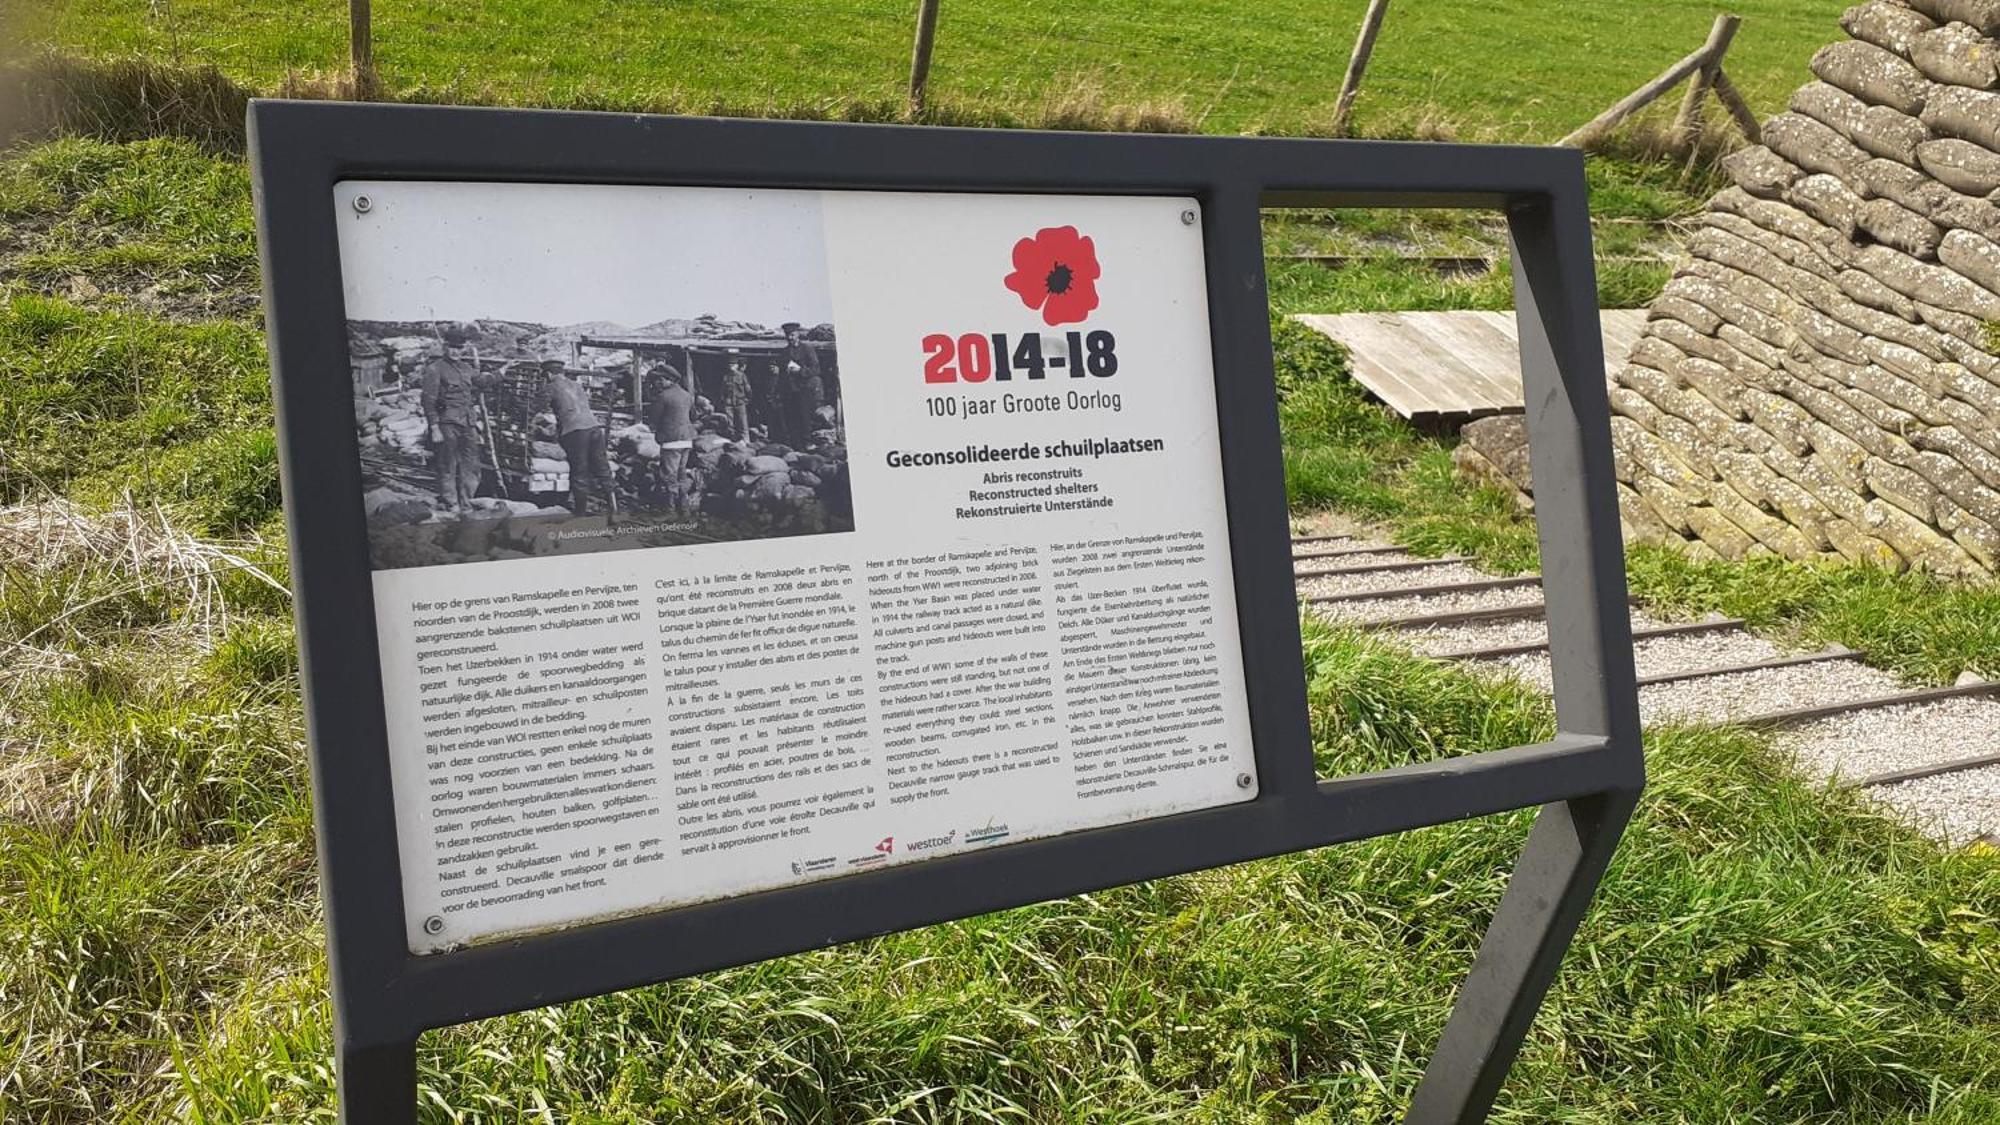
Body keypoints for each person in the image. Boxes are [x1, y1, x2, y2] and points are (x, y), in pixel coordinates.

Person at [418, 352, 498, 514]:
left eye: (459, 347)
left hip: (468, 423)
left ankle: (467, 502)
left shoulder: (466, 368)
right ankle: (451, 503)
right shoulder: (435, 369)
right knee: (448, 464)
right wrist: (434, 427)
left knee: (472, 464)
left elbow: (482, 381)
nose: (456, 351)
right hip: (446, 422)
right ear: (445, 347)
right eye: (452, 346)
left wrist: (501, 372)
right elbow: (428, 399)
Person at [543, 359, 609, 515]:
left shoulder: (550, 387)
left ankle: (580, 513)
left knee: (579, 471)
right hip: (594, 428)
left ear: (548, 373)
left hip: (575, 432)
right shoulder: (577, 385)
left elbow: (537, 407)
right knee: (603, 468)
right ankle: (615, 509)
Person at [644, 364, 698, 515]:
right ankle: (685, 506)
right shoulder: (687, 395)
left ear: (668, 380)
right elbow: (694, 416)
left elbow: (654, 419)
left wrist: (656, 430)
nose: (657, 383)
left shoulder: (663, 397)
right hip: (687, 440)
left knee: (669, 476)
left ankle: (670, 509)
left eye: (659, 380)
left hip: (671, 441)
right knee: (681, 474)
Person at [779, 322, 823, 447]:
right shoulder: (784, 352)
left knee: (805, 418)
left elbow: (816, 369)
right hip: (790, 390)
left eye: (792, 335)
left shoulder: (807, 349)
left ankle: (807, 444)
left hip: (805, 388)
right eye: (787, 335)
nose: (790, 338)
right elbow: (782, 373)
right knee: (792, 417)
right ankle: (795, 445)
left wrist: (800, 371)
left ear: (798, 334)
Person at [721, 356, 753, 442]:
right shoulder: (726, 377)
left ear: (737, 366)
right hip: (729, 403)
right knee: (730, 424)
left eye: (733, 364)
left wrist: (747, 399)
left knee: (743, 423)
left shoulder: (742, 376)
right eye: (730, 364)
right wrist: (724, 400)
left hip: (740, 402)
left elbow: (748, 389)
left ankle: (746, 440)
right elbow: (723, 390)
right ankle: (733, 440)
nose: (731, 366)